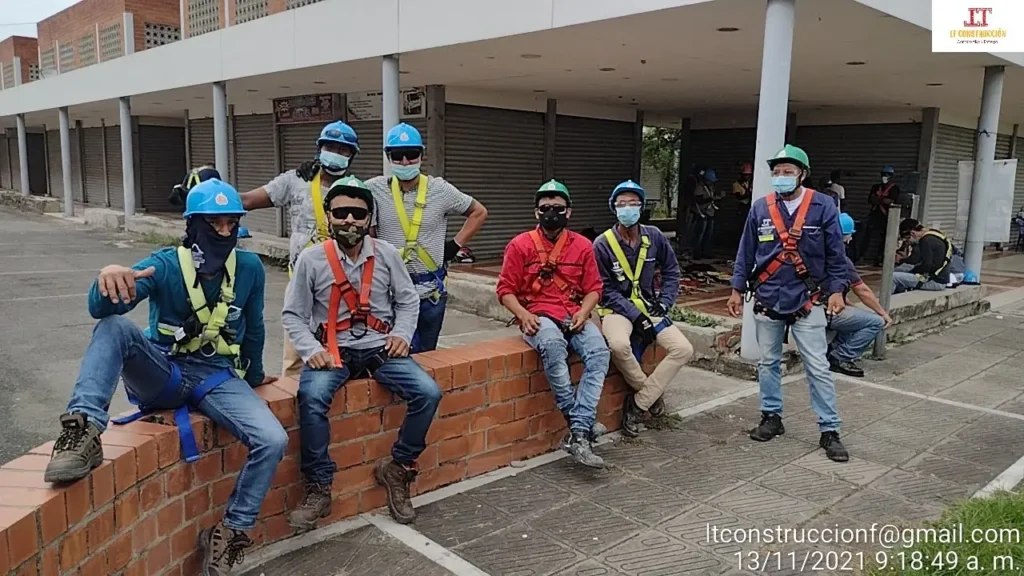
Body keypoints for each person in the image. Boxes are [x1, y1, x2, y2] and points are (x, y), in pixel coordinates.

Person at [43, 178, 286, 575]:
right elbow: (101, 308)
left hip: (217, 377)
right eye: (214, 224)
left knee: (272, 438)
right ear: (193, 226)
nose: (224, 232)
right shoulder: (167, 264)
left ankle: (231, 530)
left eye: (230, 223)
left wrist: (256, 377)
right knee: (115, 328)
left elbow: (254, 330)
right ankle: (82, 430)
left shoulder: (249, 268)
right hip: (165, 371)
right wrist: (107, 278)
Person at [282, 176, 441, 527]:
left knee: (428, 393)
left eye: (358, 213)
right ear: (329, 216)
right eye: (341, 213)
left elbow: (408, 299)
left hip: (377, 347)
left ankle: (398, 467)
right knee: (311, 398)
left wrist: (402, 333)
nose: (350, 221)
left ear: (369, 218)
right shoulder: (311, 260)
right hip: (332, 351)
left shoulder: (387, 254)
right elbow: (293, 314)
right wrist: (309, 349)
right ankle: (319, 485)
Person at [727, 144, 850, 463]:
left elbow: (837, 255)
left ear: (802, 174)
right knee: (768, 363)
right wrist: (737, 289)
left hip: (808, 299)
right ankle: (771, 417)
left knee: (818, 366)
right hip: (768, 296)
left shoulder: (823, 206)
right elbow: (746, 251)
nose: (781, 177)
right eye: (777, 172)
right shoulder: (760, 208)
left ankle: (830, 430)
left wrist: (837, 290)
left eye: (788, 172)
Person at [496, 180, 609, 468]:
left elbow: (594, 287)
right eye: (545, 208)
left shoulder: (583, 246)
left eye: (558, 208)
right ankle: (580, 426)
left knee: (598, 352)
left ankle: (578, 430)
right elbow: (505, 290)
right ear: (536, 212)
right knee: (552, 345)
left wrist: (585, 312)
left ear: (568, 212)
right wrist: (523, 315)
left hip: (572, 313)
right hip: (538, 314)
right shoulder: (520, 245)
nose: (551, 213)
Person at [240, 120, 361, 379]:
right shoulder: (295, 181)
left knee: (343, 354)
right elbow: (248, 200)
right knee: (295, 358)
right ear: (319, 149)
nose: (336, 154)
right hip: (302, 284)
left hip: (345, 287)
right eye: (331, 147)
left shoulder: (358, 190)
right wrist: (204, 193)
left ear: (351, 156)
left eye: (343, 150)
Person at [367, 123, 488, 354]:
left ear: (422, 155)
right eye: (397, 156)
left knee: (427, 358)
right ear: (388, 156)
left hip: (430, 293)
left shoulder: (439, 189)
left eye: (411, 155)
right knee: (396, 358)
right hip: (391, 295)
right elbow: (342, 199)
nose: (405, 162)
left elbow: (479, 212)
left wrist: (455, 245)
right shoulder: (374, 189)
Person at [594, 180, 694, 437]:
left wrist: (665, 301)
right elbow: (604, 289)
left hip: (650, 307)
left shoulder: (654, 236)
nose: (627, 208)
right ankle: (651, 393)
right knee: (618, 345)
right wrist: (636, 317)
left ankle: (638, 404)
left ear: (642, 207)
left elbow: (672, 271)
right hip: (616, 309)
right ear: (614, 209)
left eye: (633, 203)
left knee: (683, 349)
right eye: (622, 204)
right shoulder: (602, 244)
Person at [827, 214, 892, 377]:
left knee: (855, 313)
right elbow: (862, 290)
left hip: (810, 306)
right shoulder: (840, 259)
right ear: (846, 236)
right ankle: (841, 357)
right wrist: (883, 314)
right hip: (825, 311)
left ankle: (834, 349)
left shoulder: (815, 253)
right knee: (875, 322)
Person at [891, 219, 952, 294]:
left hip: (933, 281)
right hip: (941, 279)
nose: (909, 242)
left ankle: (885, 303)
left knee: (893, 276)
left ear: (913, 233)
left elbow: (927, 265)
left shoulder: (925, 241)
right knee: (902, 274)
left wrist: (912, 271)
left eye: (908, 238)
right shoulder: (935, 234)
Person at [857, 165, 899, 266]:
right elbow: (870, 199)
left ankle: (880, 259)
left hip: (886, 217)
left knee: (884, 239)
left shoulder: (894, 188)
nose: (885, 176)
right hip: (874, 215)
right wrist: (882, 200)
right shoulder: (876, 187)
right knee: (866, 235)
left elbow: (891, 201)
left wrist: (878, 199)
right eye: (883, 174)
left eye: (887, 175)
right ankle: (860, 256)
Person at [689, 168, 722, 260]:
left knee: (708, 234)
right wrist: (711, 199)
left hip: (710, 213)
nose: (712, 183)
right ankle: (697, 253)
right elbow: (698, 200)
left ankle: (706, 252)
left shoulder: (711, 187)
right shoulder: (700, 187)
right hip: (701, 213)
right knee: (700, 234)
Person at [732, 164, 753, 236]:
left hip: (750, 206)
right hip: (742, 207)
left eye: (749, 175)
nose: (747, 177)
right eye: (745, 175)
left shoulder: (753, 183)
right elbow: (738, 197)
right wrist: (748, 194)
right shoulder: (736, 184)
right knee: (741, 226)